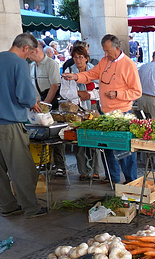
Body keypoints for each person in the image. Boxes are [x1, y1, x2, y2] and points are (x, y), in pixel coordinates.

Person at [0, 33, 47, 219]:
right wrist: (32, 100)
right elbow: (25, 96)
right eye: (30, 52)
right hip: (9, 122)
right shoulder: (19, 64)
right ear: (25, 48)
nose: (29, 56)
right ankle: (31, 208)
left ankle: (7, 205)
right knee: (22, 167)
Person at [62, 34, 142, 185]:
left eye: (108, 51)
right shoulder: (105, 61)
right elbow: (91, 75)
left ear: (117, 48)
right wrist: (75, 77)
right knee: (107, 149)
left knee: (125, 150)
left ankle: (131, 182)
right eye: (104, 51)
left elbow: (137, 92)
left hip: (122, 115)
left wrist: (117, 94)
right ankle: (114, 182)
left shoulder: (129, 64)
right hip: (105, 115)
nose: (105, 54)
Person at [65, 45, 105, 181]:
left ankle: (96, 170)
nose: (78, 60)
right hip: (77, 110)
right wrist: (78, 93)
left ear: (86, 58)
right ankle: (83, 171)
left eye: (81, 57)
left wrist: (89, 94)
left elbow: (102, 90)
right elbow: (64, 92)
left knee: (95, 141)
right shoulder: (69, 71)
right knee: (79, 141)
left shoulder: (95, 71)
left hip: (94, 108)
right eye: (75, 57)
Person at [30, 41, 64, 176]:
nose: (28, 55)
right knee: (41, 135)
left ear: (36, 51)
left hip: (50, 106)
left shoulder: (51, 64)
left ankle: (60, 165)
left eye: (30, 52)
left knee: (55, 135)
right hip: (36, 107)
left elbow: (55, 86)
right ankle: (46, 162)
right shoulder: (31, 66)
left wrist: (45, 105)